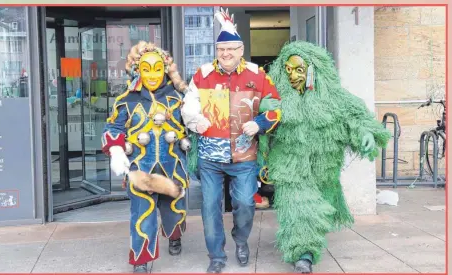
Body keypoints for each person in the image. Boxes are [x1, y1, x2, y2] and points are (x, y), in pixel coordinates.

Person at [257, 40, 391, 273]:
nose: (293, 76)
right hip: (290, 167)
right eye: (288, 70)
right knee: (298, 206)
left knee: (316, 210)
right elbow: (258, 124)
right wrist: (263, 109)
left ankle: (304, 244)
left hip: (323, 170)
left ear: (312, 70)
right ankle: (304, 254)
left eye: (299, 69)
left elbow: (355, 118)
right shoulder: (276, 97)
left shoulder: (335, 98)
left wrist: (365, 133)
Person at [178, 8, 282, 273]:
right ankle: (216, 257)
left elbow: (277, 107)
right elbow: (188, 104)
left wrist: (259, 123)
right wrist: (194, 119)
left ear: (241, 49)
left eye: (231, 49)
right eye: (221, 49)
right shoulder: (202, 74)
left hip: (244, 156)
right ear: (216, 50)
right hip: (210, 157)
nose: (226, 54)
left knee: (246, 203)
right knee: (210, 209)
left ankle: (240, 239)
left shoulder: (258, 75)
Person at [102, 41, 191, 273]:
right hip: (141, 166)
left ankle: (174, 236)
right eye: (147, 69)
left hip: (173, 165)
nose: (152, 74)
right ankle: (141, 259)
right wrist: (115, 149)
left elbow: (193, 124)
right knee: (142, 212)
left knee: (174, 207)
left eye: (157, 68)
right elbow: (113, 128)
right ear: (137, 70)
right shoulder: (127, 100)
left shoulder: (178, 97)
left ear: (165, 69)